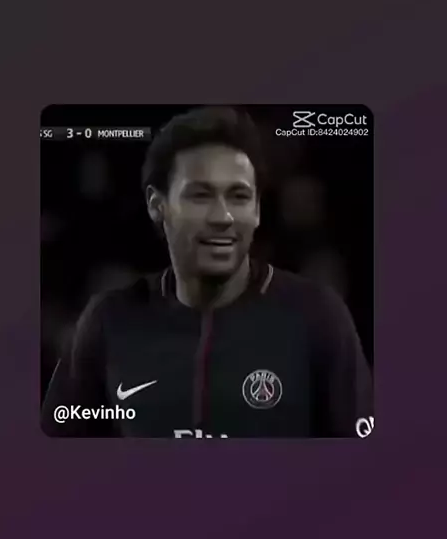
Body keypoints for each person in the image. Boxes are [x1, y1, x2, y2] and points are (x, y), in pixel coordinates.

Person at [41, 106, 372, 437]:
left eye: (239, 196)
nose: (223, 217)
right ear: (157, 205)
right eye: (200, 196)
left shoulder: (316, 316)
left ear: (257, 209)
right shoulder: (108, 321)